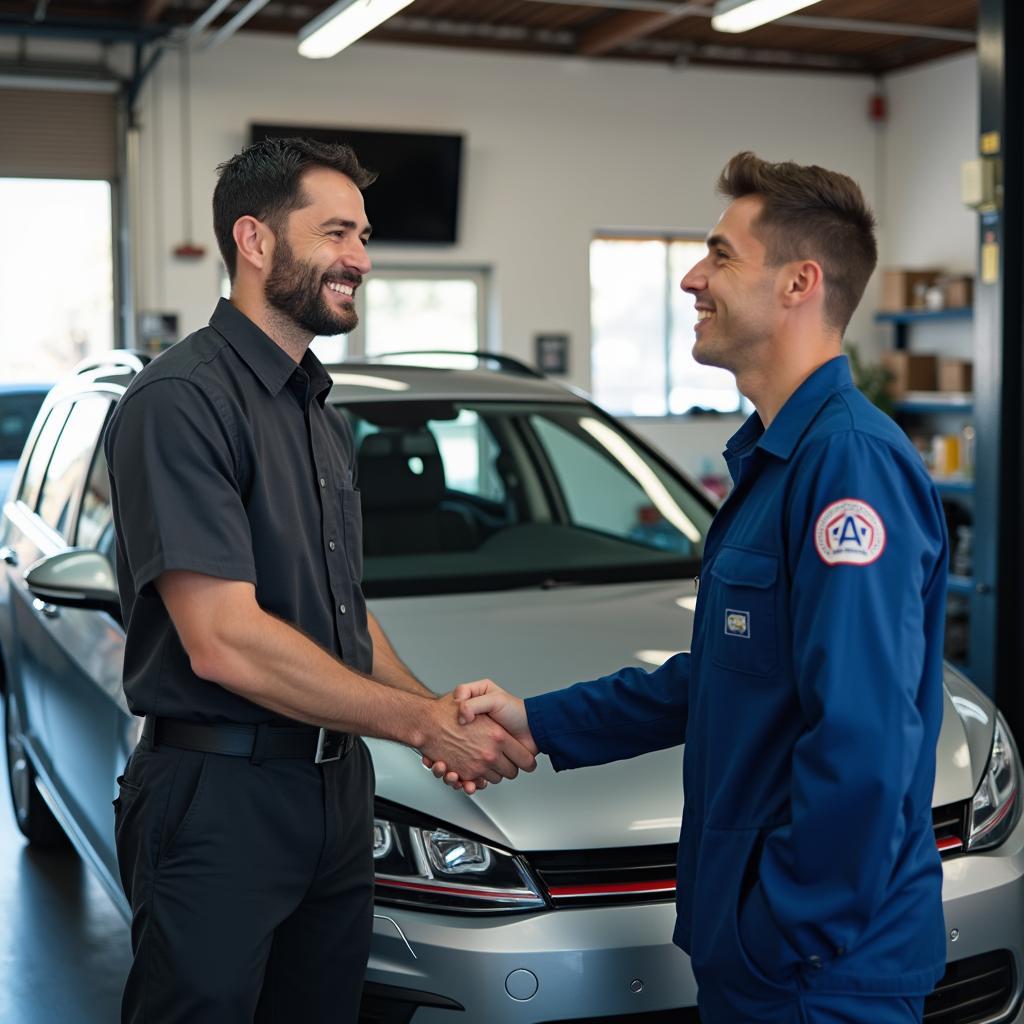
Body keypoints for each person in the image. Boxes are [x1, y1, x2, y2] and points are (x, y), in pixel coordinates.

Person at [429, 152, 949, 1024]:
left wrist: (786, 926)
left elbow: (863, 737)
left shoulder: (846, 465)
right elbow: (721, 676)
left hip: (817, 972)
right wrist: (540, 720)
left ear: (798, 284)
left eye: (720, 255)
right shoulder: (777, 461)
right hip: (763, 955)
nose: (691, 277)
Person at [105, 136, 536, 1024]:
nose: (362, 260)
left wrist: (432, 717)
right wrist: (423, 723)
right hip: (220, 796)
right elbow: (223, 639)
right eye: (337, 232)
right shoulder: (181, 401)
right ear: (255, 241)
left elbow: (340, 612)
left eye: (364, 235)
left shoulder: (318, 414)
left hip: (336, 794)